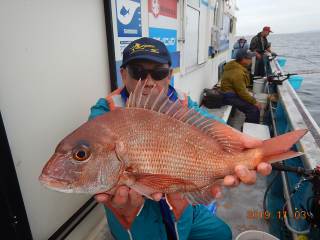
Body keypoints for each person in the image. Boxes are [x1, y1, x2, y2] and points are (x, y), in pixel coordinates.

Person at [89, 37, 272, 240]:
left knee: (221, 233)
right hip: (136, 220)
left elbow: (210, 124)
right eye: (138, 72)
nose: (148, 82)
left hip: (183, 208)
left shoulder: (183, 103)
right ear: (124, 75)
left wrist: (241, 151)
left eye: (158, 73)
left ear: (169, 75)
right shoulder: (104, 115)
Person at [220, 49, 262, 124]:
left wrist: (251, 99)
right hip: (229, 97)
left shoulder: (237, 65)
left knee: (252, 99)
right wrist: (255, 103)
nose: (251, 60)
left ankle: (249, 124)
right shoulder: (237, 72)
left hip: (234, 93)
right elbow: (241, 92)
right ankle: (249, 131)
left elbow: (240, 89)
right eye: (249, 58)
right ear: (243, 60)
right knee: (254, 109)